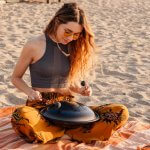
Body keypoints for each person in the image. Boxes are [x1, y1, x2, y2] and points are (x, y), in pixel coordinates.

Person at [11, 2, 129, 144]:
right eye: (68, 31)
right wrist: (30, 92)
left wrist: (80, 89)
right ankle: (74, 134)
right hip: (40, 106)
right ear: (57, 21)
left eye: (76, 34)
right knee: (21, 116)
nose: (70, 37)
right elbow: (16, 78)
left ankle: (57, 133)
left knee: (120, 112)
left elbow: (69, 83)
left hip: (69, 107)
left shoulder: (74, 47)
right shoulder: (34, 44)